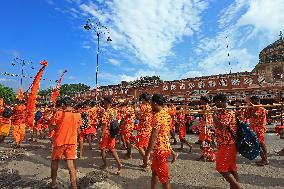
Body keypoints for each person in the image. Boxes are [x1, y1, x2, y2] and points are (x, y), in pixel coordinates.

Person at [49, 97, 82, 189]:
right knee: (71, 165)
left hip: (60, 141)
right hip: (72, 142)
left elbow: (51, 127)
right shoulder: (78, 114)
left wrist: (57, 128)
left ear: (63, 104)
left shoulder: (58, 113)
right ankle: (74, 186)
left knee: (55, 162)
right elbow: (78, 128)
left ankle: (53, 183)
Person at [212, 94, 243, 189]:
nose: (215, 105)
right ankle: (235, 186)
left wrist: (213, 115)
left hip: (227, 144)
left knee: (221, 168)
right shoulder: (223, 112)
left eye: (216, 103)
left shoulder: (228, 112)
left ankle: (238, 187)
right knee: (231, 168)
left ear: (220, 102)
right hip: (226, 143)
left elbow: (222, 127)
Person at [144, 93, 172, 189]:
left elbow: (154, 136)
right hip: (163, 148)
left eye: (151, 103)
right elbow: (165, 134)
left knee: (164, 180)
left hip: (160, 151)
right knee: (155, 173)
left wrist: (147, 154)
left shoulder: (158, 116)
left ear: (155, 103)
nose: (150, 105)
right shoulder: (166, 114)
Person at [99, 97, 122, 174]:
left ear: (106, 103)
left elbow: (104, 125)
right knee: (112, 149)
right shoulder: (114, 111)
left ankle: (105, 164)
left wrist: (101, 136)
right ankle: (119, 163)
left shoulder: (105, 113)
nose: (103, 103)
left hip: (106, 133)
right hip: (112, 132)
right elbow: (118, 120)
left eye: (104, 102)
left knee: (102, 149)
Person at [247, 96, 269, 166]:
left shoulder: (261, 109)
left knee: (257, 145)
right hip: (254, 129)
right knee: (262, 144)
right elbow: (248, 116)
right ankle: (265, 158)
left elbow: (255, 116)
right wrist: (249, 109)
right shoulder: (254, 108)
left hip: (259, 130)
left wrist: (251, 109)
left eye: (251, 102)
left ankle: (264, 160)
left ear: (255, 101)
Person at [135, 92, 153, 166]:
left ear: (143, 99)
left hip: (142, 130)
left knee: (139, 146)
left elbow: (138, 118)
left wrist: (136, 111)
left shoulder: (141, 107)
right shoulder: (151, 106)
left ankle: (146, 162)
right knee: (145, 146)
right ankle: (146, 162)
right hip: (149, 129)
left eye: (141, 98)